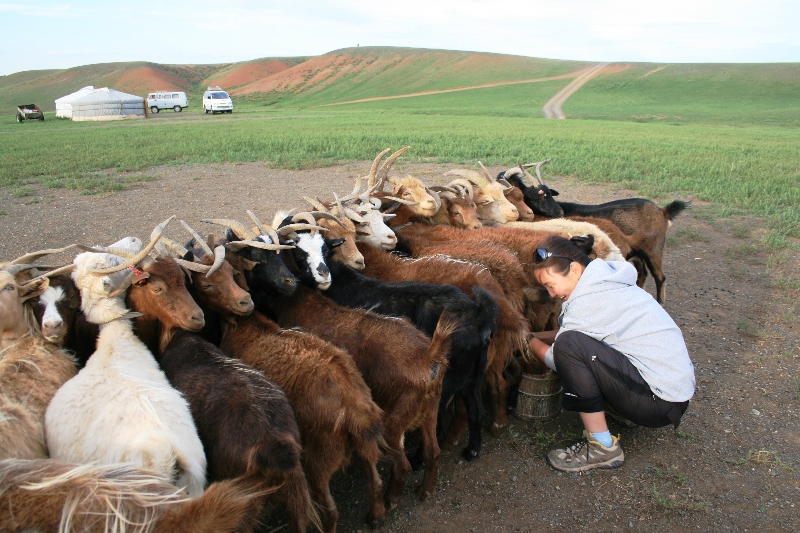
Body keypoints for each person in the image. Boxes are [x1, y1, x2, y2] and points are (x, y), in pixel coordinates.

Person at [527, 235, 695, 473]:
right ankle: (622, 407)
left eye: (550, 285)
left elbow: (561, 355)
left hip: (656, 403)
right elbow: (581, 333)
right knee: (573, 342)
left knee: (568, 346)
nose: (551, 294)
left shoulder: (590, 300)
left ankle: (602, 448)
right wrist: (538, 335)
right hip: (670, 395)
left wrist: (527, 341)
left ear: (574, 269)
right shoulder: (606, 281)